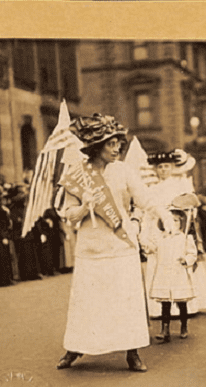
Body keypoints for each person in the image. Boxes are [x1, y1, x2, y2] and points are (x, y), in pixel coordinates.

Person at [56, 113, 170, 372]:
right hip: (91, 248)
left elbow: (144, 198)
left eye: (119, 142)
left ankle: (132, 352)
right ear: (96, 146)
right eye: (111, 143)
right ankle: (75, 347)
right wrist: (86, 205)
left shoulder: (123, 170)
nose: (117, 147)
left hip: (121, 246)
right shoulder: (77, 174)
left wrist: (163, 214)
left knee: (126, 301)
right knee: (87, 302)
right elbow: (68, 214)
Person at [142, 149, 206, 319]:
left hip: (178, 228)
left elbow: (190, 207)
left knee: (179, 263)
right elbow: (148, 211)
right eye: (160, 167)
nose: (163, 170)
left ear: (172, 167)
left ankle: (186, 305)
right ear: (155, 169)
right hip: (158, 230)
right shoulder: (151, 189)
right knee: (161, 264)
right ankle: (160, 307)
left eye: (167, 166)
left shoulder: (179, 185)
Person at [148, 208, 198, 342]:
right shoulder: (161, 238)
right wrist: (148, 247)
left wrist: (186, 260)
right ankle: (165, 330)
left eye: (176, 221)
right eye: (170, 220)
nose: (172, 223)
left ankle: (183, 326)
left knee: (181, 303)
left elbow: (192, 254)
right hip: (164, 274)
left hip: (178, 273)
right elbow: (152, 249)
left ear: (181, 223)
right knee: (165, 304)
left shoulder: (185, 237)